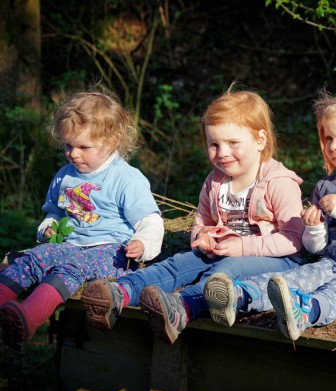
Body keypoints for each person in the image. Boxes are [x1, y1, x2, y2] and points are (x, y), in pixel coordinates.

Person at [80, 86, 305, 344]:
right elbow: (202, 220)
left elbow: (293, 239)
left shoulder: (278, 182)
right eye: (214, 144)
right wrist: (202, 236)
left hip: (274, 259)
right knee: (180, 263)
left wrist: (243, 246)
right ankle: (121, 291)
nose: (222, 153)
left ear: (260, 140)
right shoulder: (216, 181)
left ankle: (183, 307)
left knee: (226, 270)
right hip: (222, 249)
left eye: (233, 143)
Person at [203, 88, 336, 340]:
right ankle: (241, 296)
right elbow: (315, 248)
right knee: (291, 279)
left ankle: (305, 313)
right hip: (331, 262)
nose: (333, 146)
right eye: (329, 138)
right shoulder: (326, 185)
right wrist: (315, 229)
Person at [0, 89, 164, 349]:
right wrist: (49, 227)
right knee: (35, 257)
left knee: (71, 267)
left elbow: (150, 221)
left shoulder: (126, 179)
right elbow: (54, 211)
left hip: (111, 252)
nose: (73, 154)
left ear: (111, 142)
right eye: (68, 146)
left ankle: (29, 316)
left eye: (83, 147)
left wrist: (143, 244)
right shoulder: (65, 175)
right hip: (69, 245)